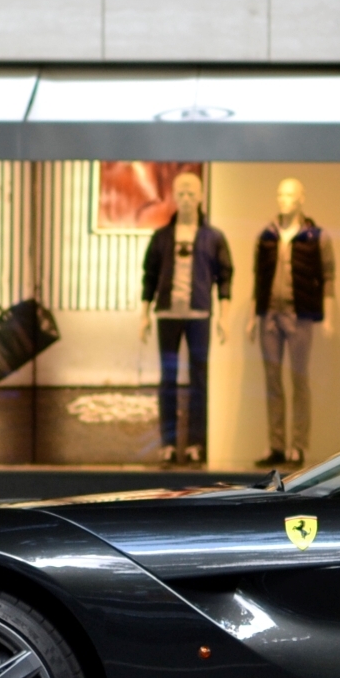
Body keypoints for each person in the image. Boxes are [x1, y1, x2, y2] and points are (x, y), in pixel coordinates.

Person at [140, 170, 232, 466]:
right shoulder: (162, 236)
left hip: (199, 314)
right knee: (167, 379)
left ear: (201, 196)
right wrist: (143, 313)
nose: (187, 199)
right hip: (167, 313)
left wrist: (224, 316)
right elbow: (149, 276)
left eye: (192, 193)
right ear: (173, 197)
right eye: (181, 193)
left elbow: (225, 276)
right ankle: (168, 444)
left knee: (198, 380)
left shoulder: (212, 237)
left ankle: (195, 444)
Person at [247, 176, 333, 469]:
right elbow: (257, 279)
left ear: (301, 198)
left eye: (289, 194)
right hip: (269, 317)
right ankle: (276, 446)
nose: (283, 199)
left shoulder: (315, 236)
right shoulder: (266, 236)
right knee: (272, 382)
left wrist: (329, 317)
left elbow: (328, 278)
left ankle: (298, 446)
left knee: (299, 380)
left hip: (300, 316)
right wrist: (251, 317)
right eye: (280, 193)